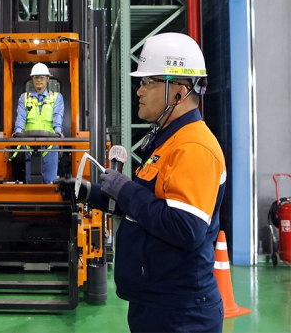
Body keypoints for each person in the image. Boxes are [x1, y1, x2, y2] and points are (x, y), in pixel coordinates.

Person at [61, 32, 226, 332]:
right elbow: (143, 210)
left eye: (149, 82)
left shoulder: (194, 147)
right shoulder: (166, 141)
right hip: (156, 304)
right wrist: (89, 192)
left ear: (179, 89)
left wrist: (127, 188)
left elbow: (185, 228)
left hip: (180, 313)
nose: (140, 91)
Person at [13, 62, 64, 184]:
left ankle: (50, 202)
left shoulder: (57, 97)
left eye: (42, 77)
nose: (39, 80)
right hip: (30, 145)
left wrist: (58, 132)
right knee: (31, 181)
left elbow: (58, 116)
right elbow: (20, 117)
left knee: (50, 181)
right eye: (36, 77)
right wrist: (18, 133)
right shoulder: (24, 98)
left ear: (48, 79)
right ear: (32, 79)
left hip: (50, 145)